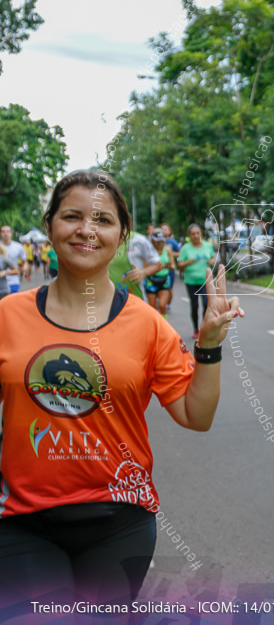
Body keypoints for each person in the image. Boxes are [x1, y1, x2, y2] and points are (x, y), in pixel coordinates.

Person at [0, 169, 242, 611]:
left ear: (122, 235)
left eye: (103, 220)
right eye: (72, 216)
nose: (86, 231)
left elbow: (196, 416)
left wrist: (208, 346)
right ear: (51, 224)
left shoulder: (148, 323)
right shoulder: (7, 315)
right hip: (21, 521)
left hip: (120, 521)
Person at [177, 224, 218, 340]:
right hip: (191, 281)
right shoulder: (185, 249)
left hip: (206, 281)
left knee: (206, 304)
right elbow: (179, 264)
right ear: (189, 236)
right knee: (194, 306)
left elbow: (213, 258)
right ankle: (196, 328)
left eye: (197, 233)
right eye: (193, 234)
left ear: (201, 234)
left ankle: (203, 327)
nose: (196, 236)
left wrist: (212, 261)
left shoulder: (208, 246)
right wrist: (187, 262)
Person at [144, 231, 175, 317]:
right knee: (152, 307)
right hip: (151, 280)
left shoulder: (167, 250)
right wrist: (161, 267)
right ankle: (154, 326)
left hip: (164, 279)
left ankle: (163, 327)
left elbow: (173, 265)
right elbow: (145, 267)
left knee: (162, 305)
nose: (159, 243)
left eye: (161, 240)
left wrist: (170, 266)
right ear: (152, 240)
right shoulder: (148, 251)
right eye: (157, 240)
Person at [0, 226, 27, 293]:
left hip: (13, 281)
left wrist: (24, 268)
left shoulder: (18, 247)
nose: (5, 233)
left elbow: (24, 261)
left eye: (8, 231)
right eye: (3, 231)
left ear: (11, 233)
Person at [161, 223, 181, 311]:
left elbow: (179, 253)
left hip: (170, 268)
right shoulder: (156, 241)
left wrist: (170, 254)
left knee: (169, 288)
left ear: (169, 231)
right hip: (159, 269)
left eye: (165, 229)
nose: (163, 231)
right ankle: (161, 302)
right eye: (162, 229)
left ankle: (167, 304)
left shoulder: (172, 242)